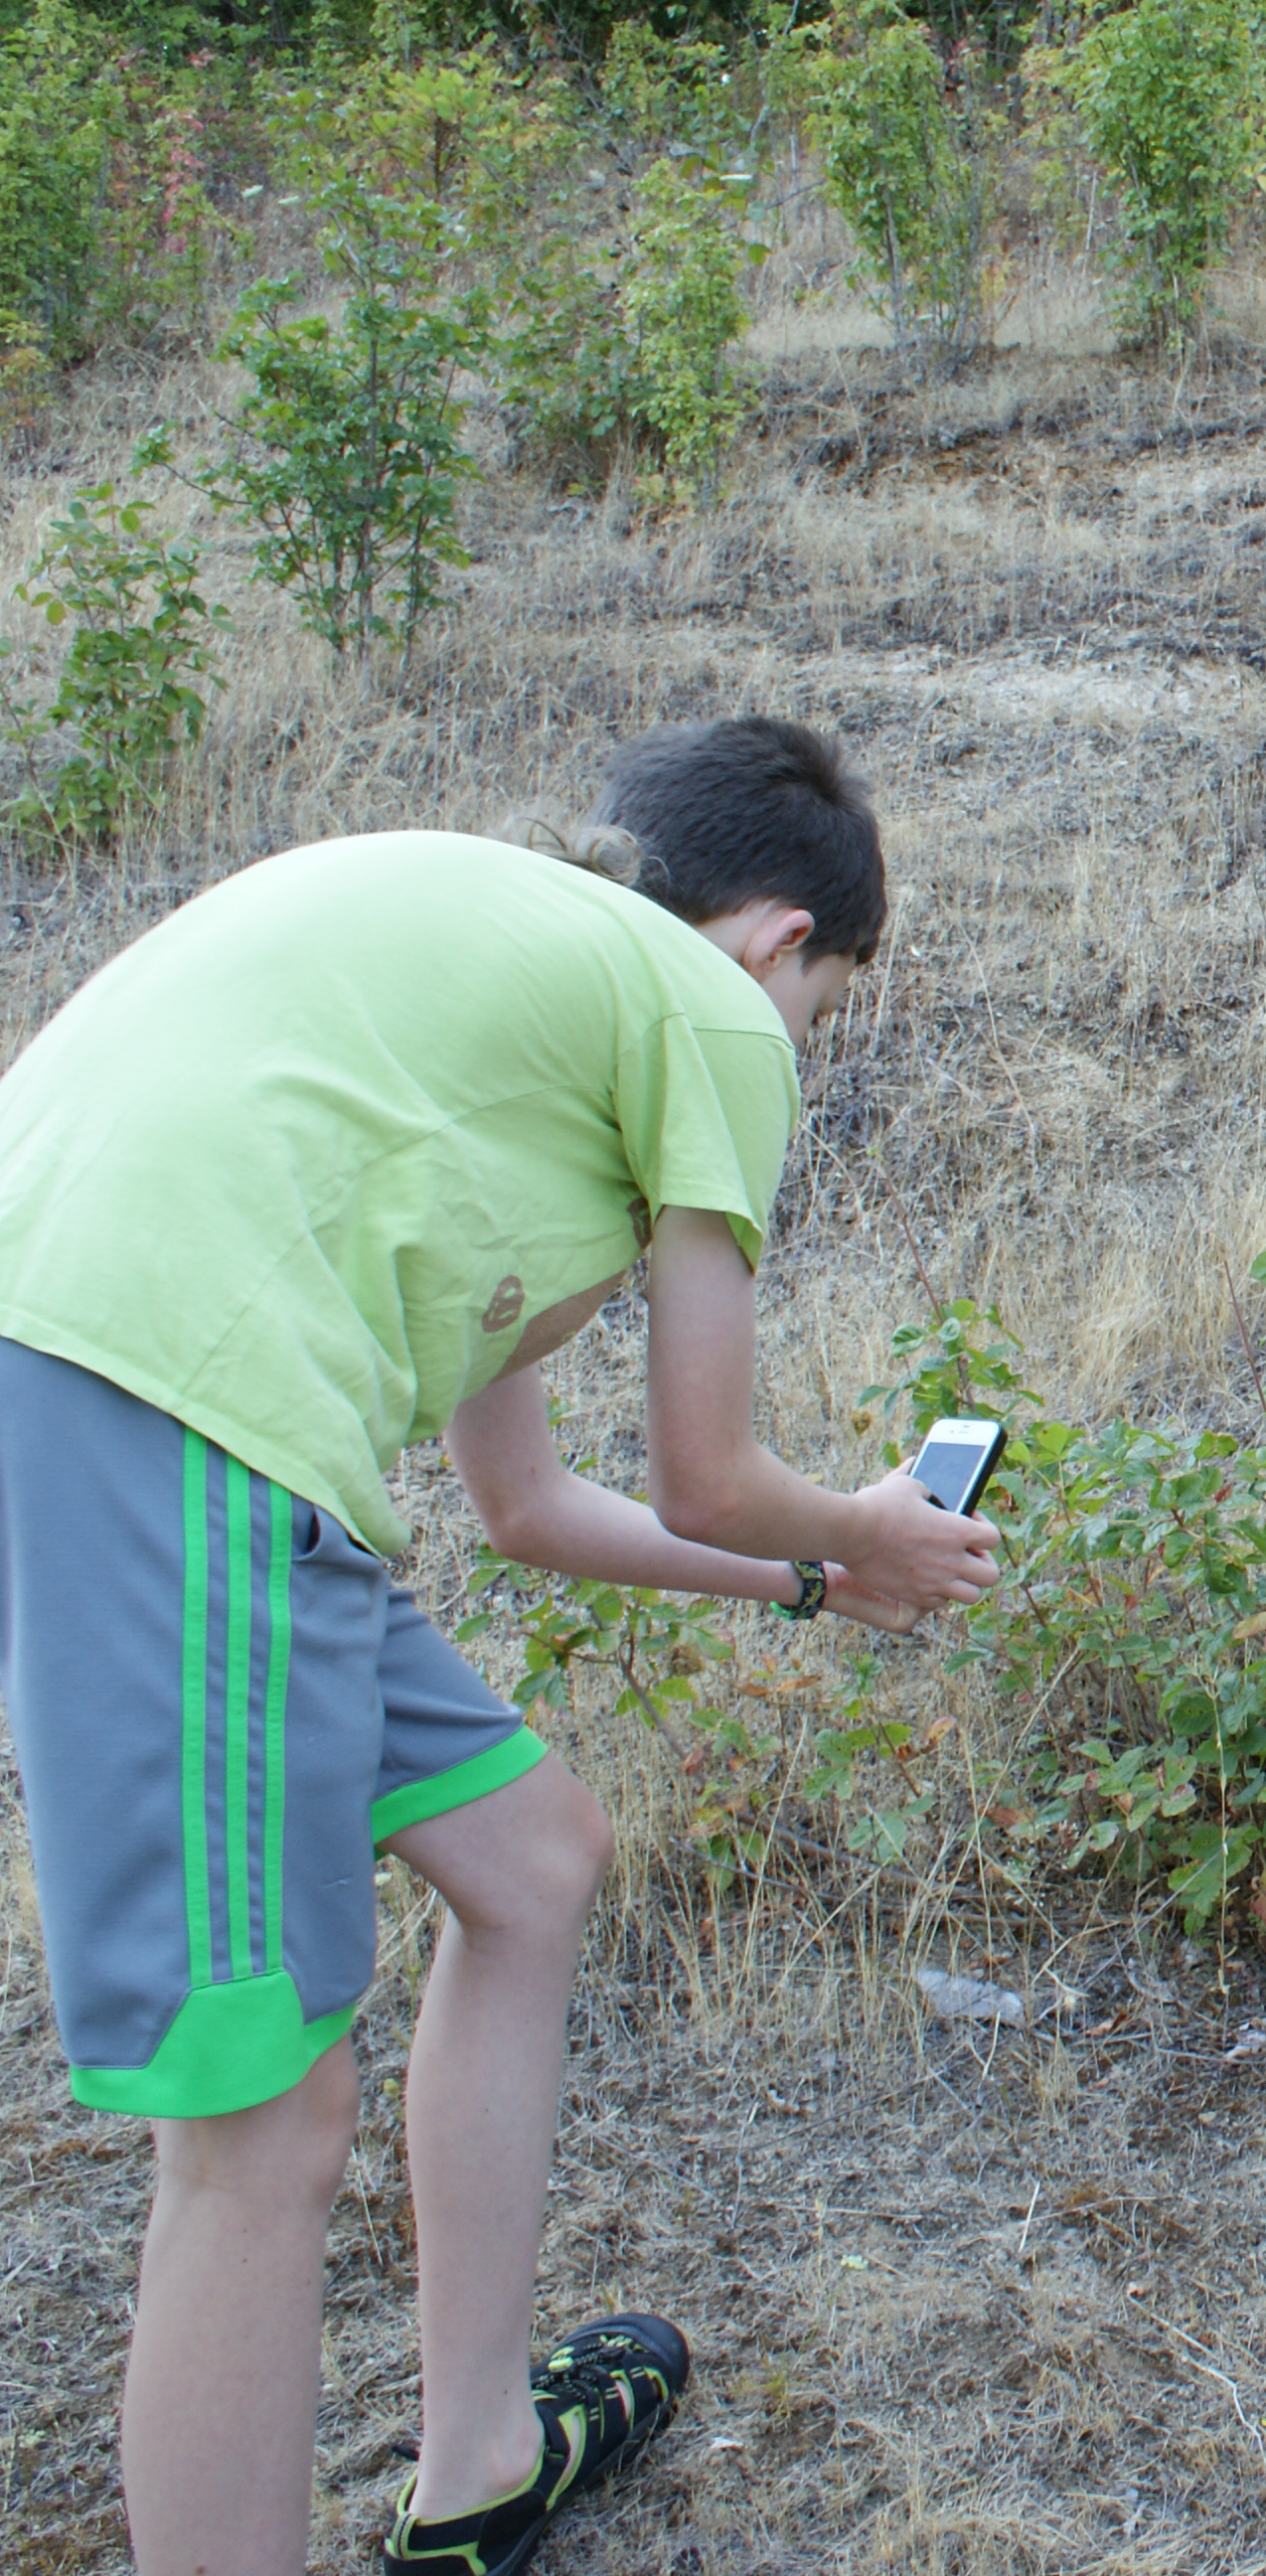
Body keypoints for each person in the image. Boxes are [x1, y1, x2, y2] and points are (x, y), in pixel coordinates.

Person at [0, 719, 999, 2576]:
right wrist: (858, 1528)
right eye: (826, 1020)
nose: (797, 1066)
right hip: (165, 1402)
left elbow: (532, 1507)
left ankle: (475, 2471)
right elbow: (712, 1477)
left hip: (161, 1400)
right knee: (255, 2122)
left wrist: (815, 1581)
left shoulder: (508, 1022)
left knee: (533, 1860)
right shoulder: (696, 1014)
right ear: (778, 940)